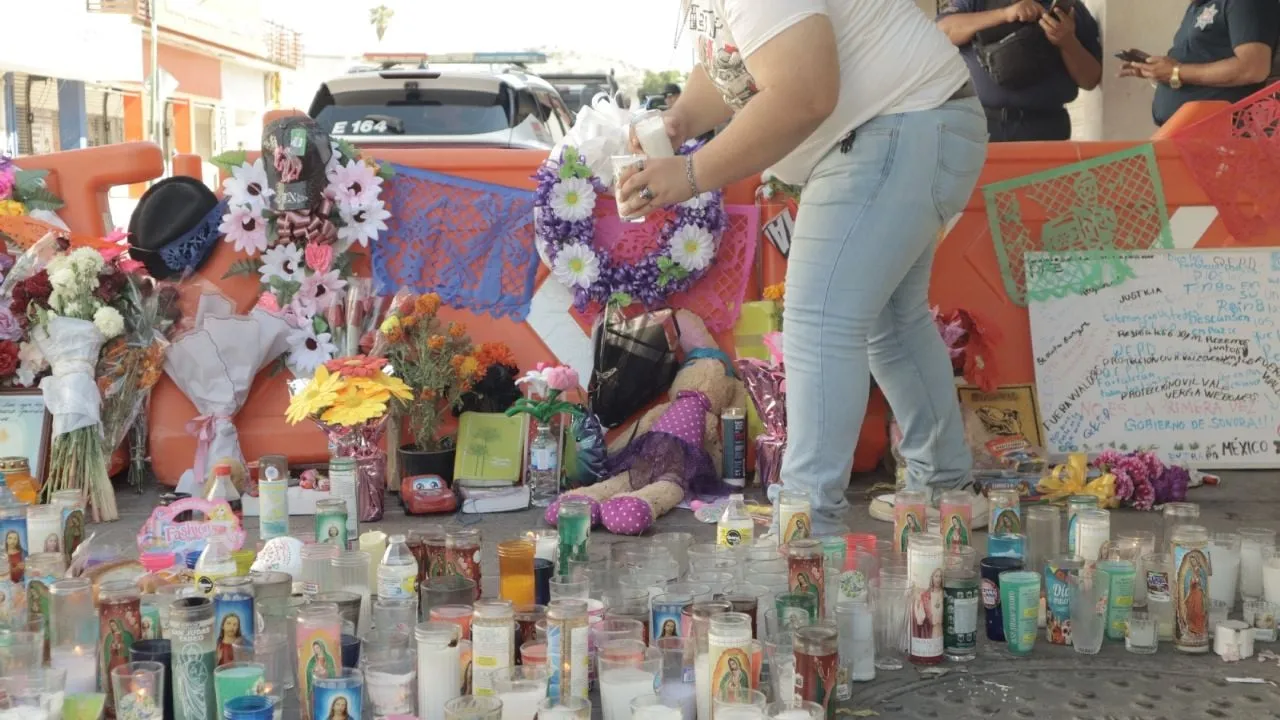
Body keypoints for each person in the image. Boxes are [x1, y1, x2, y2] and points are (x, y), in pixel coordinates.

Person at [618, 0, 987, 536]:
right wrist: (681, 121)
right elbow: (736, 61)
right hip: (917, 120)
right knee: (890, 323)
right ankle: (946, 490)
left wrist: (693, 172)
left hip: (900, 122)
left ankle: (806, 527)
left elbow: (804, 93)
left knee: (820, 321)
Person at [937, 0, 1102, 141]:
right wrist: (1005, 14)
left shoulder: (1070, 9)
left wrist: (1067, 42)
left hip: (1046, 128)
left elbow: (1090, 79)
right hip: (978, 126)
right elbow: (941, 32)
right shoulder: (975, 2)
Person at [1120, 0, 1278, 126]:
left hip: (1225, 139)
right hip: (1187, 137)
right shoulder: (1196, 7)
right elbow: (1196, 63)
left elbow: (1253, 68)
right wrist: (1157, 72)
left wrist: (1176, 71)